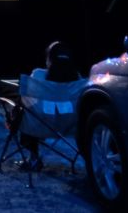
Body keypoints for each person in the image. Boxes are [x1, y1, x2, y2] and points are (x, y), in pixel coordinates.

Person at [18, 41, 87, 171]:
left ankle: (34, 158)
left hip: (40, 125)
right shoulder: (77, 78)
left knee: (26, 111)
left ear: (49, 59)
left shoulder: (38, 74)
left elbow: (29, 100)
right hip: (69, 126)